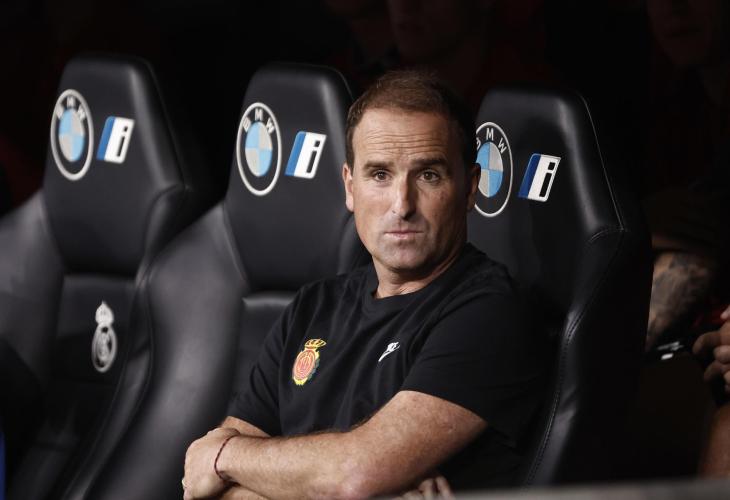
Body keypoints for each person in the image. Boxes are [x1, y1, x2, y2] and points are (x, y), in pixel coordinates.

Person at [183, 70, 547, 499]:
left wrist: (225, 456)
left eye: (429, 175)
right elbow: (205, 489)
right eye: (379, 175)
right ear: (349, 187)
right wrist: (335, 480)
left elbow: (354, 475)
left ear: (470, 189)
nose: (402, 205)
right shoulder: (313, 306)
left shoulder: (488, 313)